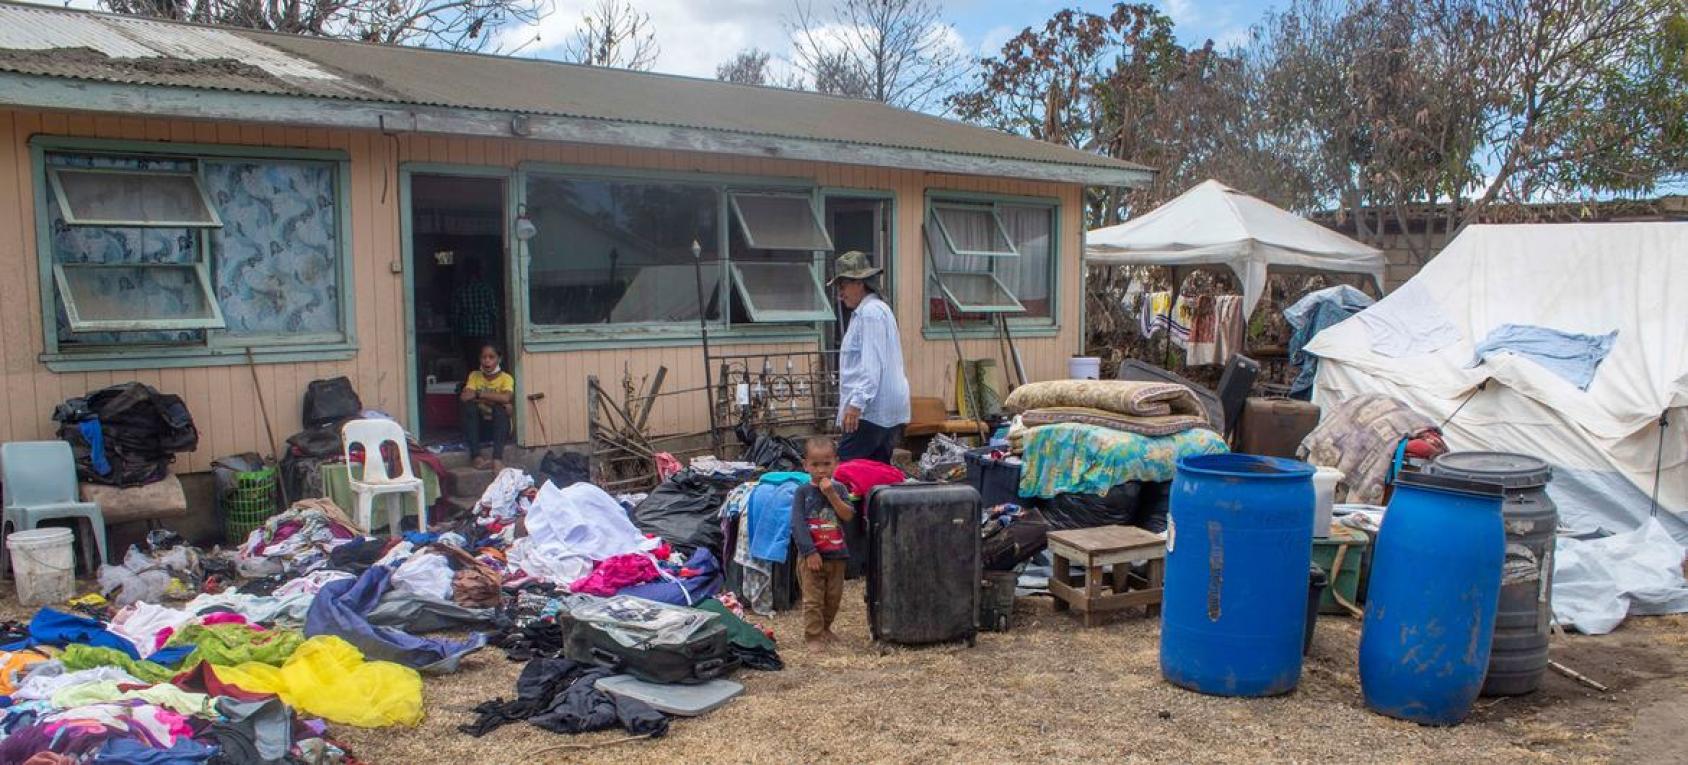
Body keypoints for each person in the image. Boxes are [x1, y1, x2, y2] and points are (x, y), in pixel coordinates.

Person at [829, 250, 910, 463]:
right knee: (874, 474)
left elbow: (871, 366)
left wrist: (856, 405)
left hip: (870, 412)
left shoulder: (870, 313)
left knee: (847, 470)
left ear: (859, 283)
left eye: (843, 286)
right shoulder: (878, 310)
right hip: (885, 411)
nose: (840, 293)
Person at [790, 436, 855, 646]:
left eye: (827, 464)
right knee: (813, 599)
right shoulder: (802, 492)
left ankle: (826, 628)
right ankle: (814, 635)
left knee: (833, 598)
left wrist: (832, 494)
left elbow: (847, 516)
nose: (821, 470)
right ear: (805, 465)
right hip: (812, 557)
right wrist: (809, 552)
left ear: (836, 463)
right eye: (815, 464)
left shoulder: (841, 489)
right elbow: (798, 525)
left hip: (837, 554)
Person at [459, 344, 514, 470]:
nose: (487, 360)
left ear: (499, 359)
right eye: (484, 357)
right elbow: (464, 397)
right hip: (479, 429)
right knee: (469, 408)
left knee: (500, 410)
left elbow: (506, 398)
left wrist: (478, 394)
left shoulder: (506, 378)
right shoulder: (474, 375)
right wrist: (496, 399)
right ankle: (476, 457)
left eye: (491, 357)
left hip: (499, 429)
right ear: (480, 359)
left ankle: (497, 459)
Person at [451, 257, 499, 363]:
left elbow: (455, 316)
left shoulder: (460, 291)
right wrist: (496, 334)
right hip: (485, 333)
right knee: (487, 363)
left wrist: (455, 337)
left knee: (471, 363)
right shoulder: (486, 290)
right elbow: (494, 313)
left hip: (467, 334)